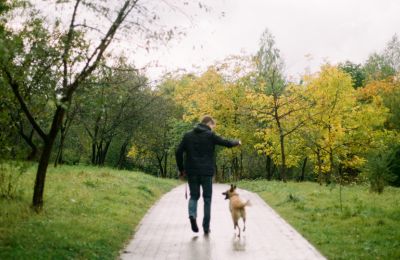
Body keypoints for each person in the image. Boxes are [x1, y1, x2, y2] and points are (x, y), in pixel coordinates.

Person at [175, 115, 241, 234]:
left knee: (194, 196)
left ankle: (192, 215)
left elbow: (178, 152)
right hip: (206, 172)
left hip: (192, 171)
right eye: (212, 126)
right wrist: (237, 142)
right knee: (207, 199)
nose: (213, 129)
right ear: (209, 123)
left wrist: (181, 169)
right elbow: (226, 142)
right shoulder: (210, 135)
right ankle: (206, 227)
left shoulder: (188, 135)